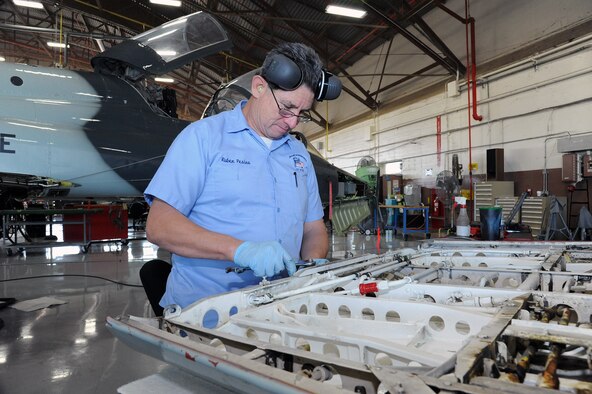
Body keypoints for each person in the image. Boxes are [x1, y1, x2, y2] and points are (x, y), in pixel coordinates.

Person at [144, 42, 341, 310]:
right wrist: (238, 250)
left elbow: (313, 228)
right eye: (286, 108)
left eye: (301, 114)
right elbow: (160, 226)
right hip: (206, 311)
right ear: (259, 87)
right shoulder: (203, 138)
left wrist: (311, 264)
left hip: (280, 306)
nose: (292, 122)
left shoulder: (298, 154)